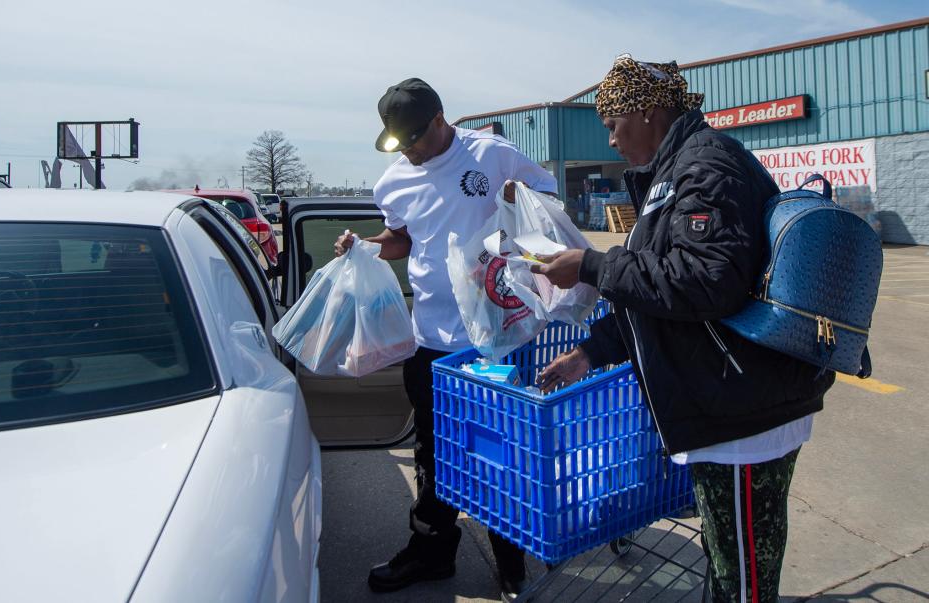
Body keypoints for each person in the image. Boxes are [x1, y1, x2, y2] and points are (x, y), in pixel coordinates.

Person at [531, 55, 835, 603]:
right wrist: (592, 353)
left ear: (647, 112)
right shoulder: (675, 172)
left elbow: (705, 280)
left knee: (744, 579)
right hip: (726, 403)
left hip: (746, 413)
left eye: (613, 124)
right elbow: (659, 292)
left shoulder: (706, 166)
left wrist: (593, 266)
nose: (611, 140)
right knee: (726, 566)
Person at [334, 77, 558, 600]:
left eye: (416, 137)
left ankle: (511, 562)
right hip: (430, 343)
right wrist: (364, 247)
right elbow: (402, 239)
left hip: (497, 337)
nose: (410, 150)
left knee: (503, 451)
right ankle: (432, 552)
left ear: (441, 120)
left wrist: (514, 208)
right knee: (433, 454)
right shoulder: (393, 183)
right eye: (399, 142)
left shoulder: (492, 153)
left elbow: (546, 201)